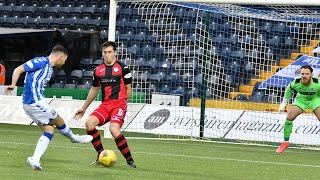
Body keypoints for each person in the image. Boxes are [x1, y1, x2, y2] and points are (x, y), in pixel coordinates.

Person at [5, 45, 93, 170]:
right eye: (65, 60)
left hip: (34, 103)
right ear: (60, 57)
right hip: (34, 102)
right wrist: (13, 84)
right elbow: (18, 69)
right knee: (59, 119)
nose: (64, 63)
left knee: (49, 130)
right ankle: (74, 138)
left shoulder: (50, 69)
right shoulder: (40, 62)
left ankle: (35, 159)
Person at [74, 41, 136, 168]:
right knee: (89, 123)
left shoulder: (123, 68)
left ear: (115, 52)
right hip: (106, 105)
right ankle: (101, 154)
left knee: (114, 129)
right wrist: (83, 108)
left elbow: (128, 88)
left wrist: (124, 103)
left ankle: (130, 161)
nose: (107, 55)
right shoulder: (98, 70)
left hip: (119, 104)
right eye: (105, 52)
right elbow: (94, 90)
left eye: (110, 52)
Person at [277, 65, 320, 153]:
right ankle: (285, 142)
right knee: (289, 117)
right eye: (302, 74)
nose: (304, 76)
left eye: (307, 74)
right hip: (301, 100)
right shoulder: (295, 82)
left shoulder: (317, 83)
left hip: (315, 100)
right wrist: (284, 102)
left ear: (311, 74)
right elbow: (289, 89)